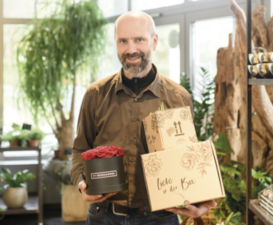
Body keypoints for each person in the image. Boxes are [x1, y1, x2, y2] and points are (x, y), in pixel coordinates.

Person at [71, 11, 217, 224]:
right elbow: (79, 149)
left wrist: (199, 202)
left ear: (154, 41)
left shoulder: (178, 98)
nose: (131, 50)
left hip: (160, 217)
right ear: (116, 43)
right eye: (123, 41)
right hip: (104, 216)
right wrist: (81, 182)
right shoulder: (95, 94)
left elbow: (187, 161)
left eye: (139, 39)